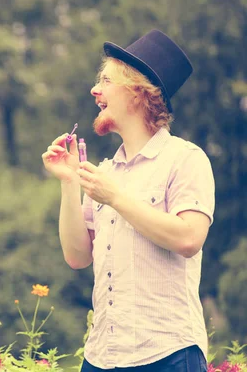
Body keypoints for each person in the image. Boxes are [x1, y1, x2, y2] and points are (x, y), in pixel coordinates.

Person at [42, 30, 214, 371]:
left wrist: (116, 198)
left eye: (105, 80)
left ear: (138, 92)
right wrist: (68, 182)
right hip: (101, 357)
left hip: (167, 353)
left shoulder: (185, 158)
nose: (95, 90)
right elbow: (77, 256)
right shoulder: (107, 172)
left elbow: (189, 238)